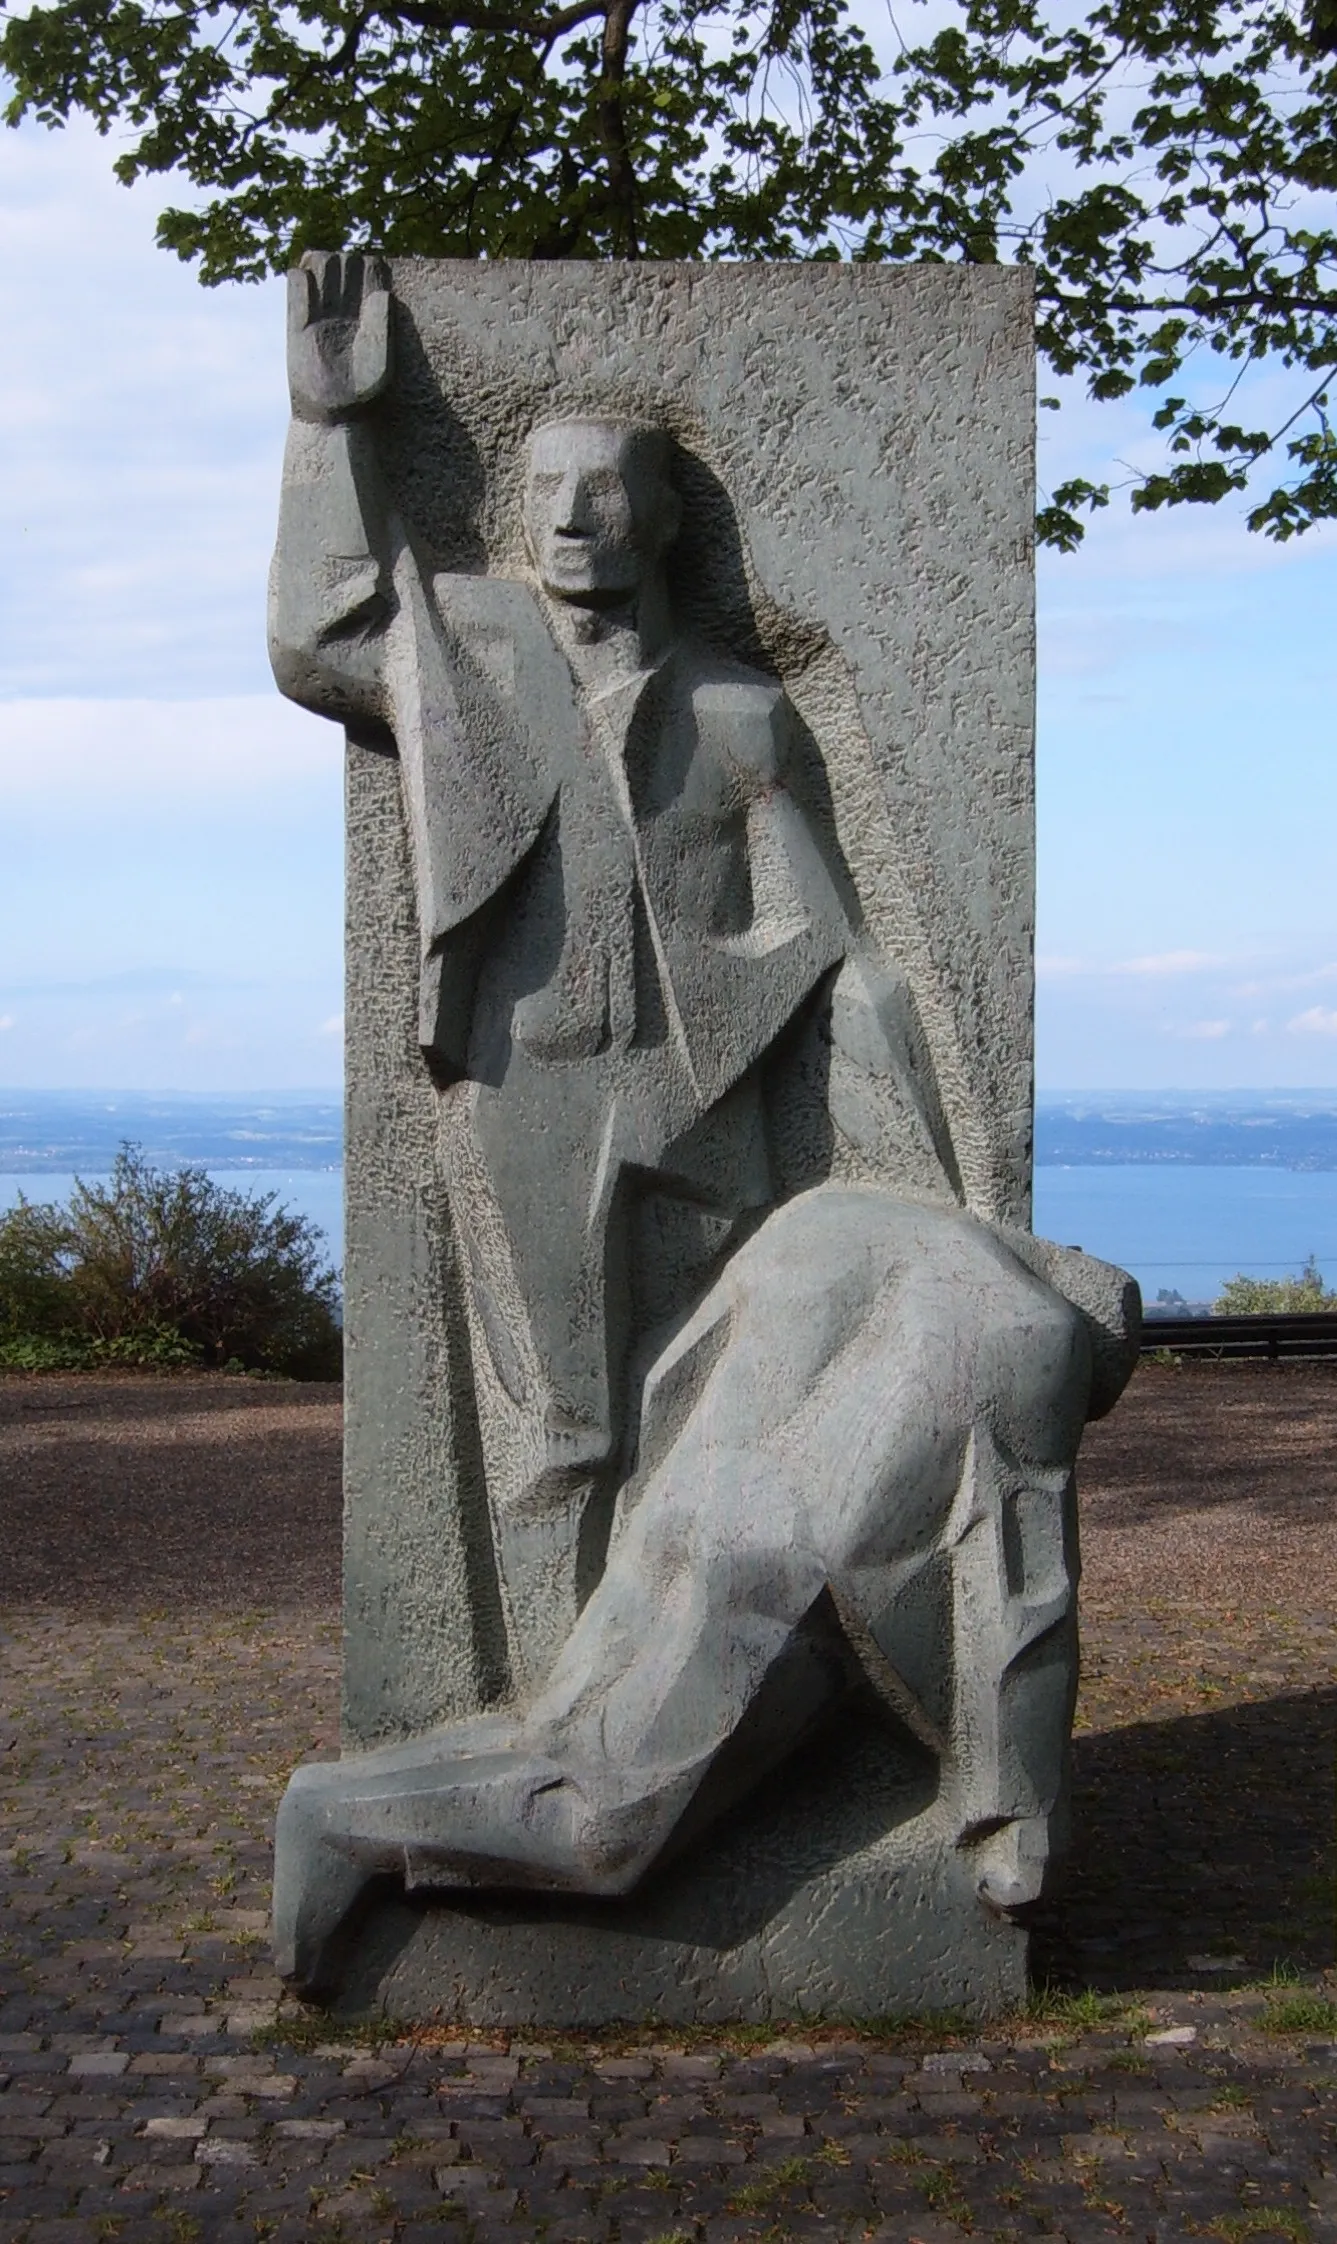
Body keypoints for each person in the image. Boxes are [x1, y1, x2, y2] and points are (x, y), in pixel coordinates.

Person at [269, 253, 1138, 1995]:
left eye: (612, 492)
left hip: (705, 1117)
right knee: (565, 1443)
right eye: (545, 494)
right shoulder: (481, 647)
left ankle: (655, 1767)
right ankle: (570, 1764)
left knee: (719, 1449)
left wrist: (949, 1205)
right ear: (517, 522)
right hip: (521, 1094)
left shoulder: (743, 710)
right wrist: (329, 423)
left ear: (667, 521)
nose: (576, 519)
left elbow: (845, 960)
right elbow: (316, 636)